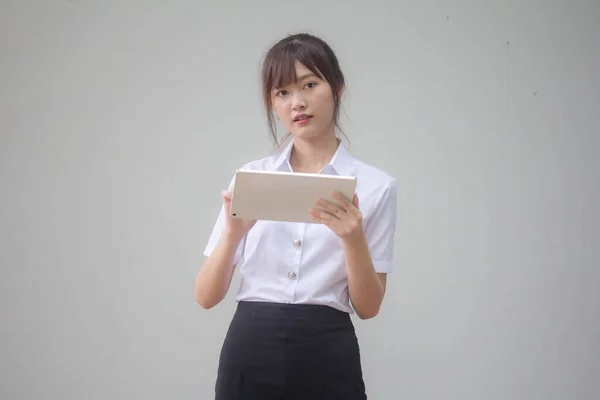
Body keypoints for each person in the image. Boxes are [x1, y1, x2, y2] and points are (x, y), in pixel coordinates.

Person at [194, 32, 397, 400]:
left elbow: (368, 308)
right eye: (282, 92)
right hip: (250, 347)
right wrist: (233, 235)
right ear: (272, 103)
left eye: (309, 84)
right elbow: (205, 296)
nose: (297, 103)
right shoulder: (251, 178)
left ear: (337, 88)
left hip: (328, 351)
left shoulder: (375, 186)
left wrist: (353, 238)